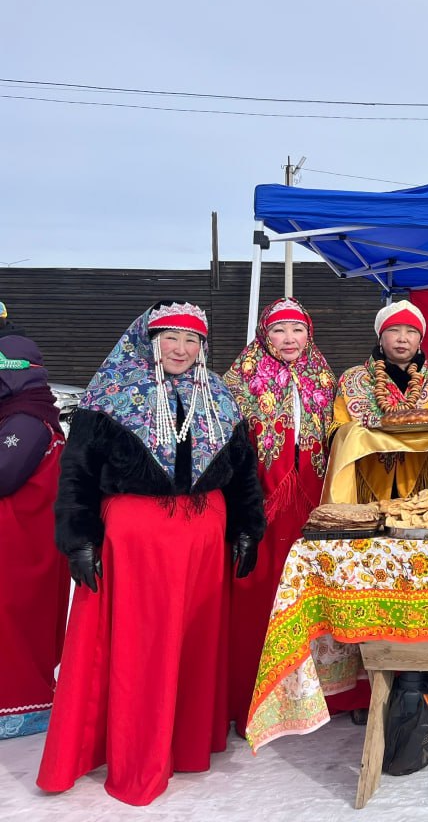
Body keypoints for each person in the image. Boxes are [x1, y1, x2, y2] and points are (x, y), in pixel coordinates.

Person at [38, 302, 264, 806]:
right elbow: (75, 474)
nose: (181, 350)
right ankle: (137, 750)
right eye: (171, 339)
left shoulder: (220, 397)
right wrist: (79, 539)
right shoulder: (109, 396)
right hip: (136, 541)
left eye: (191, 342)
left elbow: (245, 470)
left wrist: (248, 528)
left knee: (194, 637)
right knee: (139, 646)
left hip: (204, 537)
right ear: (150, 340)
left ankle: (184, 742)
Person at [223, 298, 365, 734]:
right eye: (280, 330)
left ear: (309, 334)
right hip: (263, 505)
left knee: (319, 594)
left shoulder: (324, 377)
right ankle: (254, 693)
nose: (289, 339)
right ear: (265, 334)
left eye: (297, 330)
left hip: (314, 504)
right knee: (262, 592)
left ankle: (331, 695)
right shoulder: (239, 380)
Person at [0, 318, 69, 739]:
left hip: (20, 545)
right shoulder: (29, 415)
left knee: (13, 623)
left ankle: (19, 708)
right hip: (27, 541)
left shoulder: (24, 421)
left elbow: (3, 475)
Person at [331, 300, 428, 502]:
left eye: (411, 331)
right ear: (380, 338)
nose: (402, 339)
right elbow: (337, 434)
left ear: (420, 340)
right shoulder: (353, 379)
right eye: (393, 330)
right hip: (366, 479)